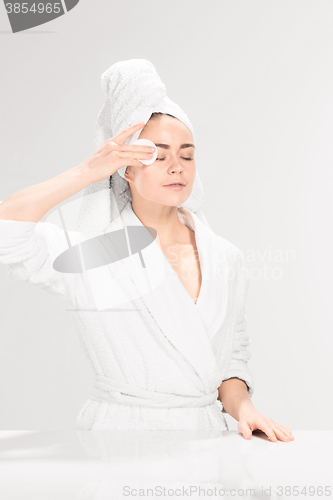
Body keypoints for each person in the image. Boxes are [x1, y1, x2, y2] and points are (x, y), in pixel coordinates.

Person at [0, 60, 294, 441]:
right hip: (119, 437)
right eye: (157, 154)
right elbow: (7, 231)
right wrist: (87, 172)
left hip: (205, 438)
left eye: (186, 155)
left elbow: (229, 362)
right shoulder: (93, 248)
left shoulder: (225, 257)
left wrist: (246, 410)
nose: (176, 167)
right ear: (126, 167)